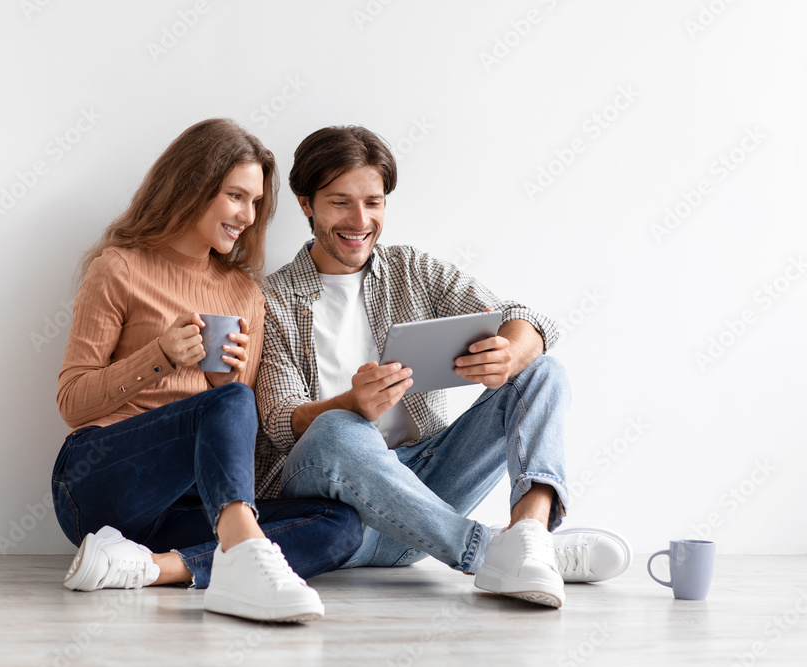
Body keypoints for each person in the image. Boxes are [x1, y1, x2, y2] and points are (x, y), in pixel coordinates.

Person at [254, 125, 631, 609]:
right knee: (338, 429)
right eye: (340, 202)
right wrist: (349, 405)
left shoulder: (411, 269)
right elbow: (280, 422)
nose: (360, 219)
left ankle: (529, 537)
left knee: (544, 372)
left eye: (374, 202)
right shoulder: (270, 300)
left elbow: (527, 320)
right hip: (336, 514)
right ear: (306, 204)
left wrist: (511, 354)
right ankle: (494, 552)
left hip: (424, 493)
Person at [51, 118, 362, 623]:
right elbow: (71, 402)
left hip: (188, 506)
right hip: (98, 484)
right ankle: (242, 561)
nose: (248, 214)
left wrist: (223, 384)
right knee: (233, 402)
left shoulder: (244, 294)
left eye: (256, 202)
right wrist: (161, 357)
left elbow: (238, 432)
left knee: (342, 524)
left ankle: (151, 568)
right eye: (236, 196)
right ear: (193, 185)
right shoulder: (119, 268)